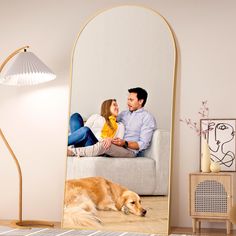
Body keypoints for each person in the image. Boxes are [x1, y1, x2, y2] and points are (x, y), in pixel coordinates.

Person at [69, 87, 157, 158]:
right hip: (115, 143)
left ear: (141, 101)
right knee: (76, 118)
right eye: (128, 99)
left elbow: (143, 144)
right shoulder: (123, 114)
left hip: (129, 150)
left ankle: (72, 151)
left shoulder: (147, 118)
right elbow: (109, 123)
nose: (127, 102)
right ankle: (71, 144)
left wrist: (125, 143)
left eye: (131, 100)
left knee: (105, 145)